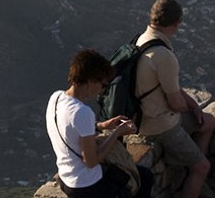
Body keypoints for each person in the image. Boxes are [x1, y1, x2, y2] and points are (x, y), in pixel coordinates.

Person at [134, 0, 214, 198]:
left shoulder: (142, 40)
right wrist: (189, 108)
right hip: (160, 126)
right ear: (177, 23)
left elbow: (172, 89)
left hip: (144, 117)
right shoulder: (164, 56)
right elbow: (176, 103)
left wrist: (194, 106)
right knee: (203, 166)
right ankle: (194, 169)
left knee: (208, 122)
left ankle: (187, 163)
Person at [47, 49, 152, 198]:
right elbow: (91, 161)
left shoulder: (56, 98)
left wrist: (102, 126)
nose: (103, 91)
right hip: (89, 186)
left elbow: (70, 127)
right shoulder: (82, 112)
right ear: (90, 81)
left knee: (144, 175)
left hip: (67, 179)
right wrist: (117, 133)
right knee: (140, 182)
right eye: (103, 85)